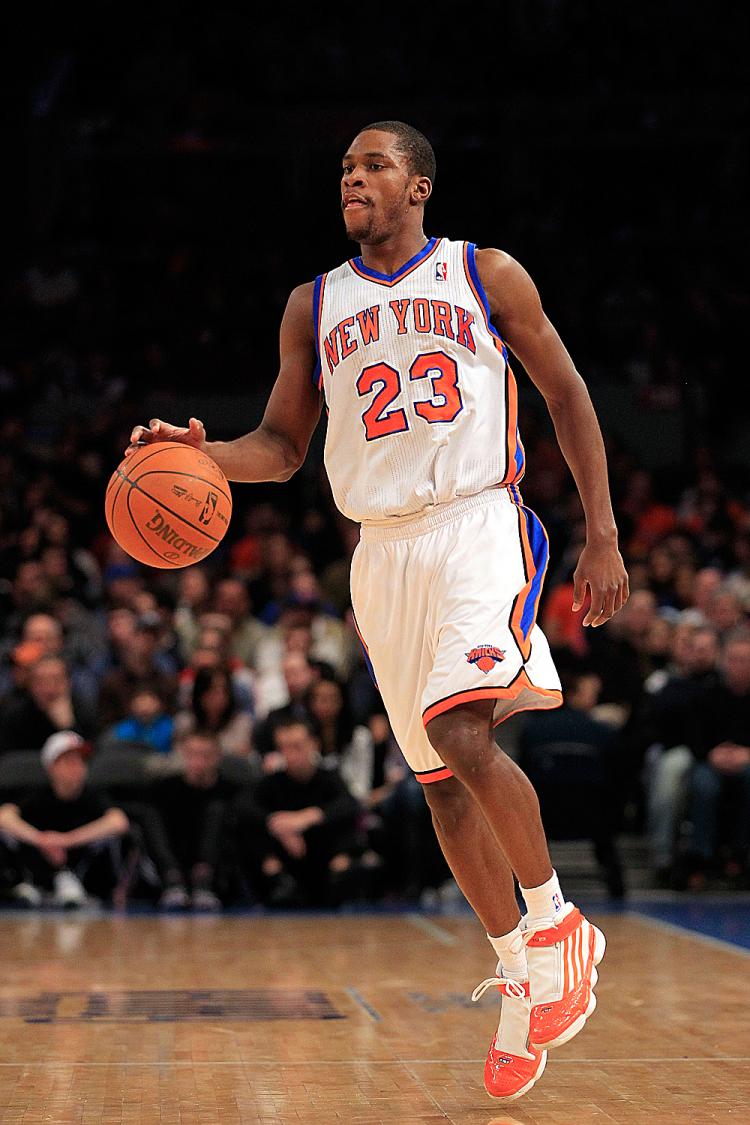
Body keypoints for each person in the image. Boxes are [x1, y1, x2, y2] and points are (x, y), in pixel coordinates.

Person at [127, 120, 629, 1102]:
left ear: (421, 186)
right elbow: (279, 445)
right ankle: (523, 979)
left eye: (376, 166)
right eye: (346, 169)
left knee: (459, 723)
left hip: (474, 519)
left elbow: (568, 394)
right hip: (380, 552)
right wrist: (194, 456)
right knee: (440, 781)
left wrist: (602, 534)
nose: (355, 179)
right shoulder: (312, 305)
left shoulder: (487, 274)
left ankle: (561, 922)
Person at [236, 718, 362, 908]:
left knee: (347, 828)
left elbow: (350, 804)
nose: (290, 754)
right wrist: (276, 824)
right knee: (248, 828)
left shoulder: (328, 778)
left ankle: (339, 879)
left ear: (314, 744)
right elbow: (243, 806)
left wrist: (308, 817)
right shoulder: (273, 782)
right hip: (286, 861)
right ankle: (277, 880)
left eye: (297, 746)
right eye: (284, 747)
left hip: (322, 860)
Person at [0, 730, 129, 907]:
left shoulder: (93, 795)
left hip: (84, 870)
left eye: (81, 760)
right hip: (41, 864)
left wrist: (65, 841)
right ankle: (26, 884)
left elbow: (118, 821)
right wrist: (41, 840)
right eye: (69, 760)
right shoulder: (37, 794)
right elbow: (4, 816)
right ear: (51, 767)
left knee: (112, 839)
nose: (77, 767)